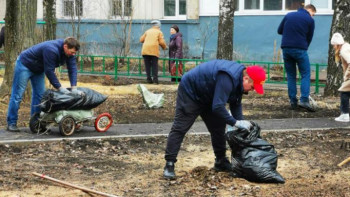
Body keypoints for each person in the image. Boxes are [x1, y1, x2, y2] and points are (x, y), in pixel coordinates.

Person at [163, 60, 266, 179]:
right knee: (180, 127)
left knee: (218, 127)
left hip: (210, 95)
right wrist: (235, 122)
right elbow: (218, 107)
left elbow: (236, 103)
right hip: (191, 91)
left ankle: (220, 161)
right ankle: (169, 164)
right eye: (253, 87)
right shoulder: (228, 77)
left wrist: (240, 124)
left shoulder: (239, 81)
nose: (252, 90)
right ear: (246, 78)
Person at [6, 37, 82, 132]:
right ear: (65, 46)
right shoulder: (51, 49)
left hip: (38, 69)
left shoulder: (70, 53)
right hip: (25, 65)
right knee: (17, 95)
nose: (73, 54)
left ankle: (36, 124)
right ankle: (11, 123)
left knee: (40, 96)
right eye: (72, 52)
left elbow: (72, 69)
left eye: (75, 53)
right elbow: (49, 71)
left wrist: (74, 87)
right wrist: (60, 88)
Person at [277, 4, 317, 112]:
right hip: (300, 49)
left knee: (291, 75)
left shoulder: (289, 15)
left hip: (286, 48)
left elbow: (279, 31)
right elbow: (309, 37)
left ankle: (293, 101)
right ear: (310, 10)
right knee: (305, 73)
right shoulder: (310, 20)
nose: (313, 16)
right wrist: (304, 47)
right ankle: (304, 100)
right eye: (313, 14)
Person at [140, 20, 167, 84]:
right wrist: (165, 47)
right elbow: (161, 42)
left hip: (145, 50)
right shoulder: (159, 32)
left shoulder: (147, 31)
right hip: (154, 51)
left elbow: (141, 40)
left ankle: (149, 79)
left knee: (147, 65)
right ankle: (155, 80)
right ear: (159, 26)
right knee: (154, 65)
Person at [331, 33, 350, 122]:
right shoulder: (347, 46)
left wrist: (347, 76)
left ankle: (345, 114)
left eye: (334, 45)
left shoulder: (343, 51)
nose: (333, 47)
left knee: (344, 92)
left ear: (337, 44)